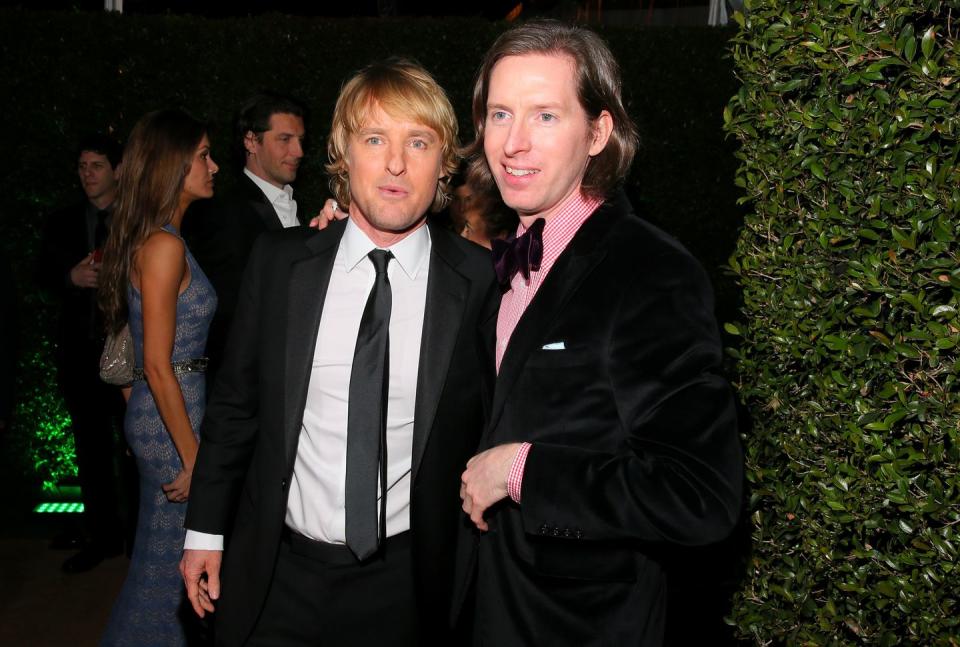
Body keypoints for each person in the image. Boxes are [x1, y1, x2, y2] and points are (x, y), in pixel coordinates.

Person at [180, 58, 497, 647]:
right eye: (375, 139)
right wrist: (204, 531)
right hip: (278, 572)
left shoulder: (480, 283)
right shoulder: (281, 265)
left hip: (409, 584)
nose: (396, 163)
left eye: (419, 142)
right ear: (344, 154)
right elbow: (235, 409)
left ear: (444, 164)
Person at [456, 20, 744, 645]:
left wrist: (523, 471)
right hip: (492, 603)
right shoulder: (503, 260)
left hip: (583, 624)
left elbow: (699, 497)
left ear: (598, 132)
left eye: (546, 116)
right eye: (501, 114)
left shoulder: (650, 272)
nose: (514, 143)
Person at [98, 109, 219, 645]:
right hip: (175, 418)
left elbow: (134, 350)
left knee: (164, 562)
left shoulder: (155, 238)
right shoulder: (164, 245)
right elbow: (154, 361)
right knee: (170, 570)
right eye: (202, 156)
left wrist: (140, 422)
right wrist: (194, 458)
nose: (213, 166)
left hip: (160, 414)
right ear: (174, 165)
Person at [37, 134, 133, 573]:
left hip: (130, 354)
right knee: (91, 451)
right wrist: (69, 276)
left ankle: (137, 538)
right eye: (82, 166)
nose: (87, 174)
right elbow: (40, 273)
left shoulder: (136, 218)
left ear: (116, 169)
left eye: (96, 165)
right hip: (81, 356)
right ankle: (102, 536)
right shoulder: (62, 222)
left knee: (135, 448)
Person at [181, 92, 307, 389]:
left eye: (301, 140)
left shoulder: (298, 205)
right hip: (254, 384)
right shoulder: (225, 212)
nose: (299, 151)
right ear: (251, 141)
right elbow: (227, 315)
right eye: (285, 139)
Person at [449, 168, 518, 249]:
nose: (462, 207)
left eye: (469, 199)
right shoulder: (443, 239)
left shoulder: (512, 246)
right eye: (456, 199)